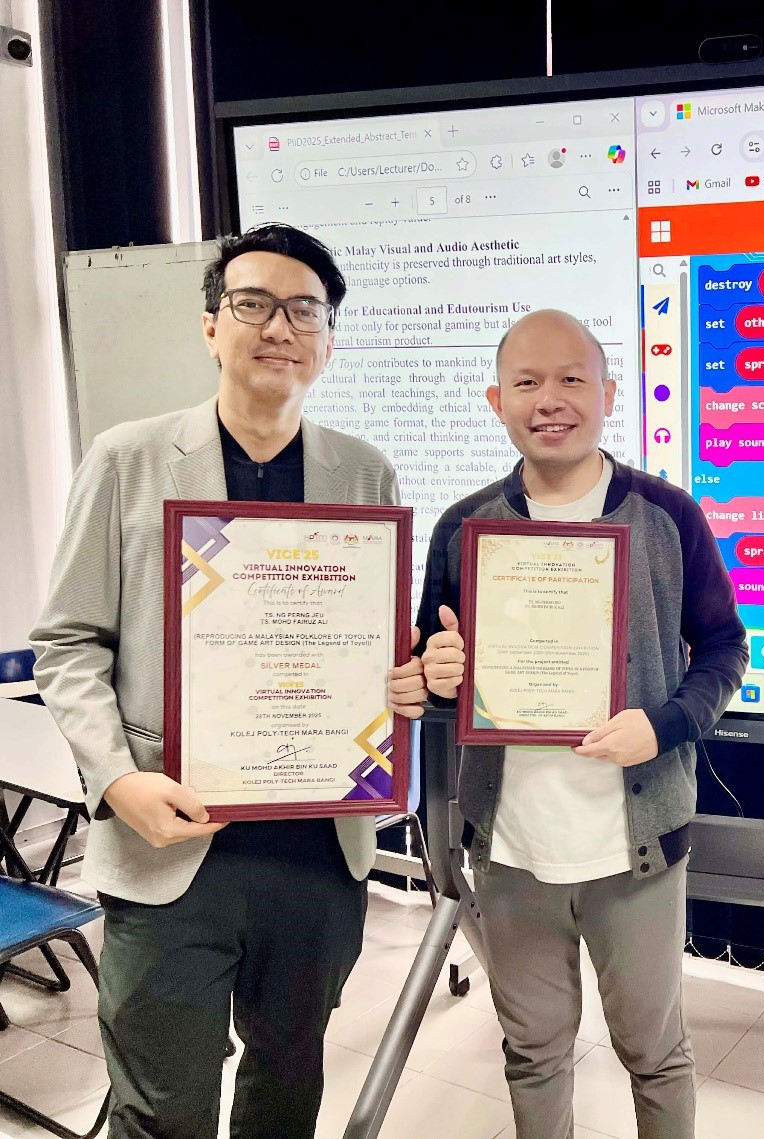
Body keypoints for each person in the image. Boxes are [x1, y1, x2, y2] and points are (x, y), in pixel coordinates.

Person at [31, 223, 424, 1139]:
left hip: (318, 847)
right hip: (170, 840)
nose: (278, 327)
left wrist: (404, 682)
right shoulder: (127, 459)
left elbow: (372, 648)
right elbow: (68, 643)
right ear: (212, 327)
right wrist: (116, 779)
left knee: (286, 1089)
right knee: (162, 1105)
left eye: (303, 311)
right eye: (253, 304)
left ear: (328, 343)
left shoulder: (363, 472)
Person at [408, 308, 747, 1139]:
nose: (549, 399)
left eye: (571, 379)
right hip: (512, 848)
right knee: (532, 1052)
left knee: (654, 1053)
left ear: (609, 393)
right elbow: (434, 669)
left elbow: (725, 648)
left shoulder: (668, 515)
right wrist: (436, 675)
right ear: (496, 400)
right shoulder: (463, 526)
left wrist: (665, 725)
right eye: (526, 382)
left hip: (635, 845)